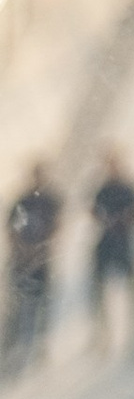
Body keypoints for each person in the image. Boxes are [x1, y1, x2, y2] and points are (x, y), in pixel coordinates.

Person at [2, 159, 62, 376]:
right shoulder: (23, 201)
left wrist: (39, 249)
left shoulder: (50, 201)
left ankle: (38, 346)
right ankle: (11, 347)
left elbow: (57, 226)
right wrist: (22, 249)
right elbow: (12, 229)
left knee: (41, 304)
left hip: (41, 262)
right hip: (21, 262)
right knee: (17, 304)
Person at [88, 147, 134, 357]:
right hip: (107, 242)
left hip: (123, 242)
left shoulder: (126, 187)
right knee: (97, 288)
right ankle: (102, 332)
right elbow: (93, 210)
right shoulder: (104, 188)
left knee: (133, 289)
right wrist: (106, 221)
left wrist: (123, 220)